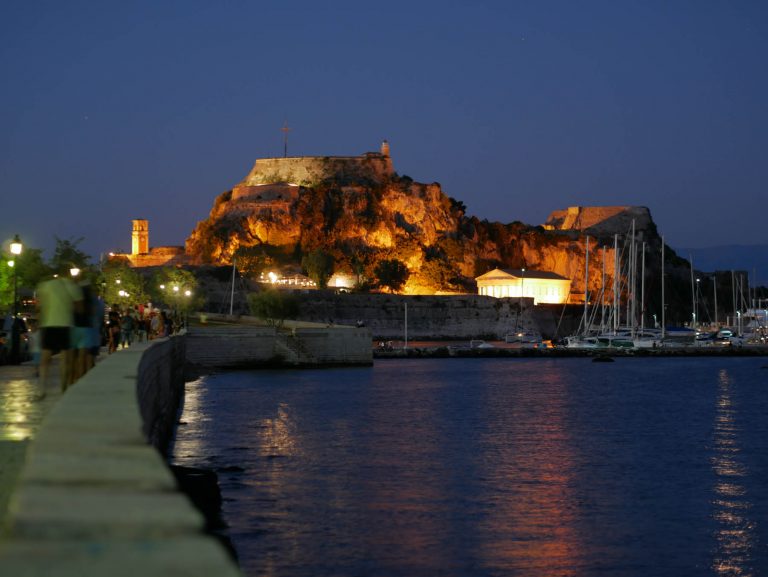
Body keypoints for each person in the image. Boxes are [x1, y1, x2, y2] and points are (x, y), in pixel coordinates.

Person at [36, 273, 83, 395]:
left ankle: (42, 388)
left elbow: (39, 306)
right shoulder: (71, 286)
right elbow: (80, 308)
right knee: (65, 358)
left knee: (45, 358)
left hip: (48, 325)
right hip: (65, 325)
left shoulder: (45, 285)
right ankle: (63, 388)